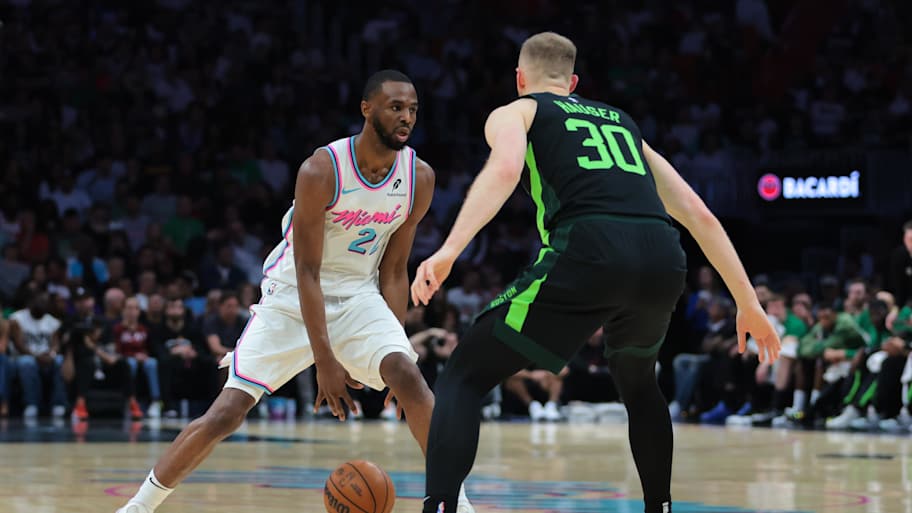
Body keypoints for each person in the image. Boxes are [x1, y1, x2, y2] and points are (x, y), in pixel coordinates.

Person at [410, 32, 781, 513]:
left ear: (520, 79)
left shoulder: (518, 111)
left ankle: (439, 507)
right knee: (639, 383)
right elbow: (698, 214)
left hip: (590, 248)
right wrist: (747, 302)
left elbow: (503, 170)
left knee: (463, 373)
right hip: (662, 257)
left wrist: (449, 250)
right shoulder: (623, 123)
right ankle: (660, 508)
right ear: (573, 83)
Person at [115, 70, 472, 513]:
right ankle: (137, 507)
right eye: (395, 107)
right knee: (227, 412)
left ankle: (453, 503)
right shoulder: (322, 170)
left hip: (358, 295)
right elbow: (306, 269)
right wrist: (326, 360)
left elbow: (395, 270)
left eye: (413, 110)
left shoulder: (419, 177)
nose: (406, 118)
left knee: (409, 376)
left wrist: (391, 346)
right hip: (292, 296)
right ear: (367, 109)